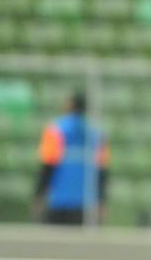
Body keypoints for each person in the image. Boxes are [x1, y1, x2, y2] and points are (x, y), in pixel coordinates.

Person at [33, 91, 110, 225]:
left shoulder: (55, 130)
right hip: (86, 203)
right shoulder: (97, 133)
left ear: (70, 105)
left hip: (59, 200)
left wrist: (39, 195)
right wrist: (101, 201)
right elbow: (101, 171)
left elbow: (48, 166)